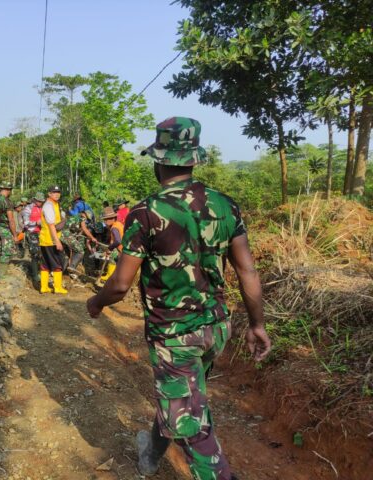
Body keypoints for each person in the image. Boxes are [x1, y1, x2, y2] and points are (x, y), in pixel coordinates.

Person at [86, 117, 271, 480]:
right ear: (193, 160)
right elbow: (248, 271)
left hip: (175, 337)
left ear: (158, 160)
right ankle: (151, 453)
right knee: (184, 398)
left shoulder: (145, 213)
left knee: (192, 427)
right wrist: (258, 324)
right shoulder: (225, 205)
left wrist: (97, 302)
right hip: (216, 328)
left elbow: (121, 284)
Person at [39, 185, 67, 294]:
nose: (57, 194)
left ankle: (44, 287)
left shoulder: (53, 204)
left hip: (44, 240)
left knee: (45, 264)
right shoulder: (49, 206)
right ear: (49, 194)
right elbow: (51, 225)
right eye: (54, 192)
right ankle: (58, 287)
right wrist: (57, 241)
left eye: (58, 192)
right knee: (57, 263)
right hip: (50, 240)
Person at [0, 182, 18, 282]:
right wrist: (15, 235)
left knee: (1, 251)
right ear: (8, 189)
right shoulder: (7, 201)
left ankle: (1, 274)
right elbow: (11, 219)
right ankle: (3, 276)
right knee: (6, 252)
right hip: (5, 229)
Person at [62, 211, 98, 275]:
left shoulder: (73, 217)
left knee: (67, 254)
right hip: (67, 235)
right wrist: (92, 238)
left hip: (61, 235)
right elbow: (85, 229)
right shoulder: (82, 218)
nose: (86, 220)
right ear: (85, 215)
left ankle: (62, 271)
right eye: (87, 218)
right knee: (80, 251)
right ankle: (72, 267)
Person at [22, 192, 45, 285]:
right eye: (39, 201)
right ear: (35, 200)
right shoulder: (28, 208)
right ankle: (35, 276)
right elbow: (26, 223)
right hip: (32, 232)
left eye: (42, 201)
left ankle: (42, 272)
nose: (40, 203)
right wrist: (36, 223)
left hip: (42, 233)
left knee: (43, 253)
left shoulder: (43, 208)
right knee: (35, 253)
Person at [98, 206, 124, 282]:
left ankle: (109, 276)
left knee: (112, 255)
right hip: (124, 248)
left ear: (112, 218)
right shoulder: (118, 224)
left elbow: (118, 241)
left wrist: (109, 249)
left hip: (121, 249)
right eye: (104, 220)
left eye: (106, 219)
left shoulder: (114, 228)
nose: (105, 222)